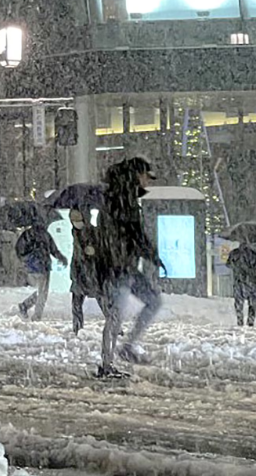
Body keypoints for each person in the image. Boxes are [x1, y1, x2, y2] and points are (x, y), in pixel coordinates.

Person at [95, 157, 162, 378]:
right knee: (116, 315)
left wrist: (147, 253)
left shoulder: (124, 198)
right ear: (137, 175)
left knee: (153, 301)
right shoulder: (121, 200)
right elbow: (133, 234)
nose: (148, 182)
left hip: (126, 265)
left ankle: (126, 347)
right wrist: (150, 253)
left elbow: (132, 234)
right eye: (146, 176)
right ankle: (106, 364)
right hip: (117, 266)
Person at [15, 213, 68, 321]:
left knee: (41, 291)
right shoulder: (44, 234)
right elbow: (53, 249)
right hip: (42, 266)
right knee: (42, 292)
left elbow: (19, 249)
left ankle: (25, 305)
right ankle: (36, 316)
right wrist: (61, 258)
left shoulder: (27, 234)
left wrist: (24, 260)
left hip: (32, 266)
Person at [69, 208, 102, 334]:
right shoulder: (75, 232)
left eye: (78, 219)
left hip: (91, 272)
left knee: (102, 300)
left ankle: (114, 324)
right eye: (73, 220)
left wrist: (93, 251)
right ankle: (77, 327)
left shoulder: (92, 231)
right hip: (79, 273)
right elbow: (76, 254)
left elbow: (101, 248)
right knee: (76, 303)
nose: (76, 222)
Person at [227, 240, 256, 328]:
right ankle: (250, 321)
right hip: (252, 281)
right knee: (252, 303)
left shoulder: (234, 253)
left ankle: (240, 320)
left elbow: (228, 264)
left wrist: (237, 267)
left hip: (239, 281)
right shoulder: (254, 254)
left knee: (238, 302)